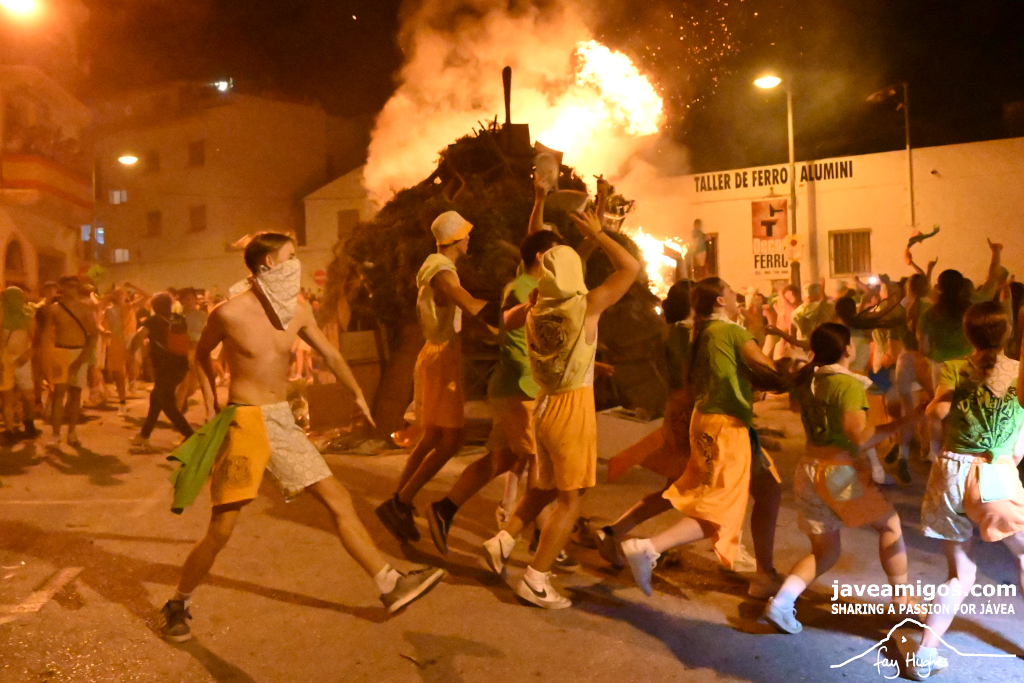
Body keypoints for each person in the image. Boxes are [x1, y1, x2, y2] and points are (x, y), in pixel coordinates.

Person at [159, 232, 445, 642]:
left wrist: (356, 392)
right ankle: (178, 602)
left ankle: (389, 582)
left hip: (282, 422)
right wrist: (209, 403)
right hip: (245, 422)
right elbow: (200, 355)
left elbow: (330, 354)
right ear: (268, 265)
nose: (296, 264)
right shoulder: (228, 313)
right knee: (221, 530)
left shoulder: (297, 310)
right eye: (290, 257)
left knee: (338, 499)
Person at [482, 207, 640, 609]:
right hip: (572, 409)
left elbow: (507, 319)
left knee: (544, 488)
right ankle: (535, 579)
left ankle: (503, 540)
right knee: (571, 500)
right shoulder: (586, 306)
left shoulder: (536, 309)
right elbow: (630, 268)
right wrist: (600, 235)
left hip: (545, 406)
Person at [621, 277, 787, 602]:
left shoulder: (701, 332)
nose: (736, 296)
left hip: (710, 421)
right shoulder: (731, 332)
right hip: (726, 426)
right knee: (719, 509)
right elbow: (768, 371)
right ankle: (649, 547)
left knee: (768, 491)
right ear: (720, 301)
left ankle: (764, 575)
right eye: (731, 292)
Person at [761, 323, 917, 634]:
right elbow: (860, 437)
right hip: (839, 472)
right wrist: (903, 422)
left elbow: (804, 410)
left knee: (825, 552)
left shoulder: (809, 380)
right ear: (847, 349)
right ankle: (902, 602)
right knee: (890, 526)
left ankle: (782, 602)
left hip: (808, 469)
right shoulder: (847, 385)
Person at [426, 229, 564, 555]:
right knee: (541, 462)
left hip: (514, 389)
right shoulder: (523, 289)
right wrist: (540, 384)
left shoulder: (533, 286)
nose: (564, 260)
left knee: (500, 460)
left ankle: (443, 509)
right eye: (558, 253)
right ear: (542, 257)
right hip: (521, 391)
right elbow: (517, 348)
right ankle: (541, 536)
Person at [906, 301, 1024, 680]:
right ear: (1007, 332)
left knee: (959, 574)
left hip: (949, 472)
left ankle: (925, 654)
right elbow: (1018, 451)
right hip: (994, 472)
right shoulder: (1017, 373)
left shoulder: (953, 368)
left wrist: (939, 402)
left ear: (967, 332)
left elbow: (936, 414)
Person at [375, 211, 493, 543]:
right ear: (455, 237)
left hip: (438, 353)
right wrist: (512, 312)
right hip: (442, 357)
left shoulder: (437, 267)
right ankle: (401, 501)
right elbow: (467, 304)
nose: (469, 238)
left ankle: (399, 502)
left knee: (432, 437)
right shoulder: (441, 270)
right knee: (452, 440)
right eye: (466, 233)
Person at [592, 279, 697, 568]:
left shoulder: (673, 331)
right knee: (709, 493)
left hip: (679, 411)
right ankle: (648, 548)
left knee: (676, 490)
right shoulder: (689, 334)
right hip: (691, 415)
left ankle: (614, 533)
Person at [918, 269, 974, 461]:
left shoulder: (929, 314)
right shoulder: (971, 310)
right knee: (965, 410)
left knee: (939, 410)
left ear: (938, 287)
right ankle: (963, 450)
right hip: (969, 365)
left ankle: (936, 453)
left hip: (941, 366)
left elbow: (923, 347)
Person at [129, 293, 195, 451]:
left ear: (154, 306)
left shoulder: (153, 320)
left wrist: (133, 354)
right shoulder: (178, 318)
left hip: (164, 367)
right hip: (180, 365)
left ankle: (190, 435)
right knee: (157, 399)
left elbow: (138, 336)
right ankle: (144, 435)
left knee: (165, 402)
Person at [43, 276, 98, 447]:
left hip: (79, 351)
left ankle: (72, 432)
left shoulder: (85, 309)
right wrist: (45, 358)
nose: (73, 289)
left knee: (75, 394)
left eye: (75, 286)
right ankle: (56, 435)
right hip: (60, 352)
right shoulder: (54, 309)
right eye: (69, 286)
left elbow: (94, 334)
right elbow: (46, 334)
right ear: (62, 287)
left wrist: (83, 358)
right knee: (58, 394)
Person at [0, 287, 39, 442]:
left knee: (27, 395)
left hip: (21, 359)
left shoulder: (27, 316)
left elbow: (34, 340)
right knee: (8, 398)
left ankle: (28, 424)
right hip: (6, 360)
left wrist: (28, 354)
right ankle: (10, 430)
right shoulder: (2, 316)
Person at [175, 288, 216, 421]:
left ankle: (210, 412)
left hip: (199, 350)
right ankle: (177, 414)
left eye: (192, 299)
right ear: (182, 301)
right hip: (183, 352)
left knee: (202, 383)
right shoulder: (177, 317)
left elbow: (210, 333)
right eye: (186, 299)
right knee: (185, 385)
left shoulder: (203, 316)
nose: (190, 302)